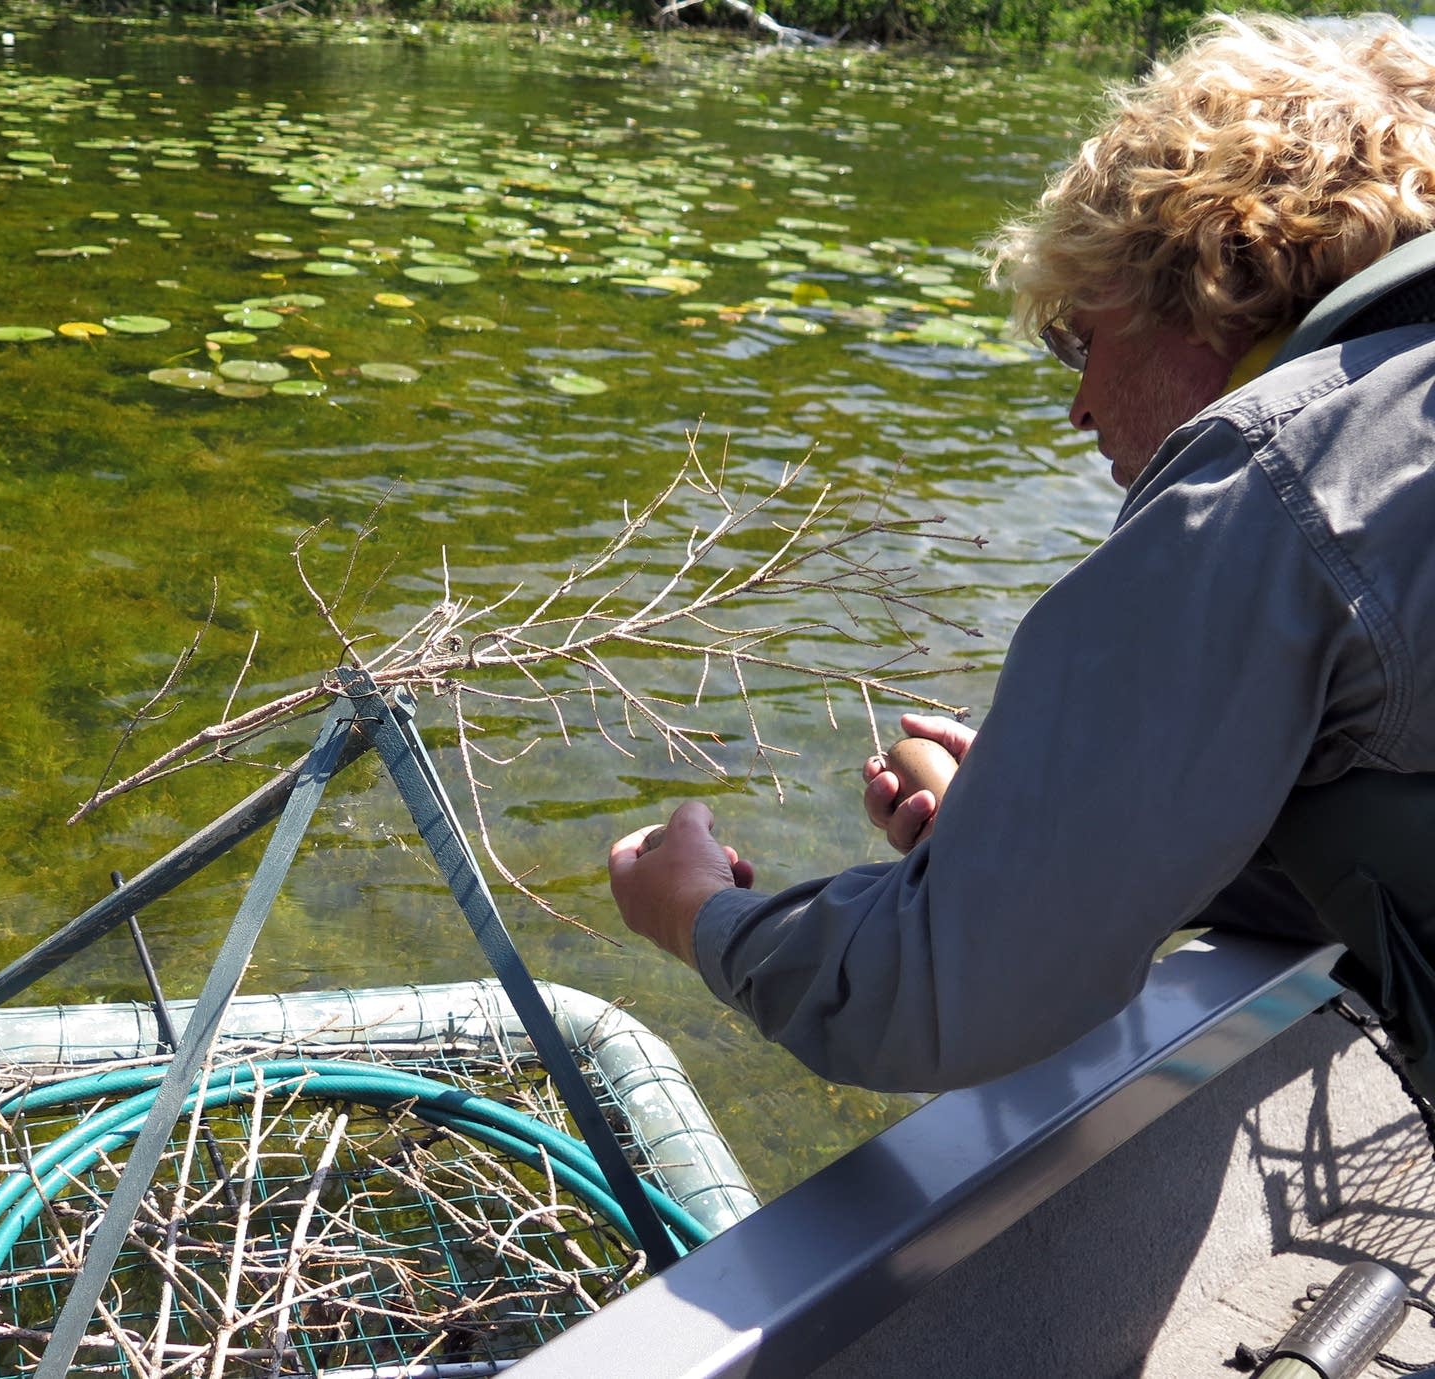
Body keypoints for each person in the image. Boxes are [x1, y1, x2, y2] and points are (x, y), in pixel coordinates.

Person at [608, 13, 1435, 1094]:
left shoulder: (1271, 477)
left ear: (1203, 281)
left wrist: (694, 910)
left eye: (1077, 340)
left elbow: (931, 1001)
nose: (1080, 407)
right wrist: (1052, 836)